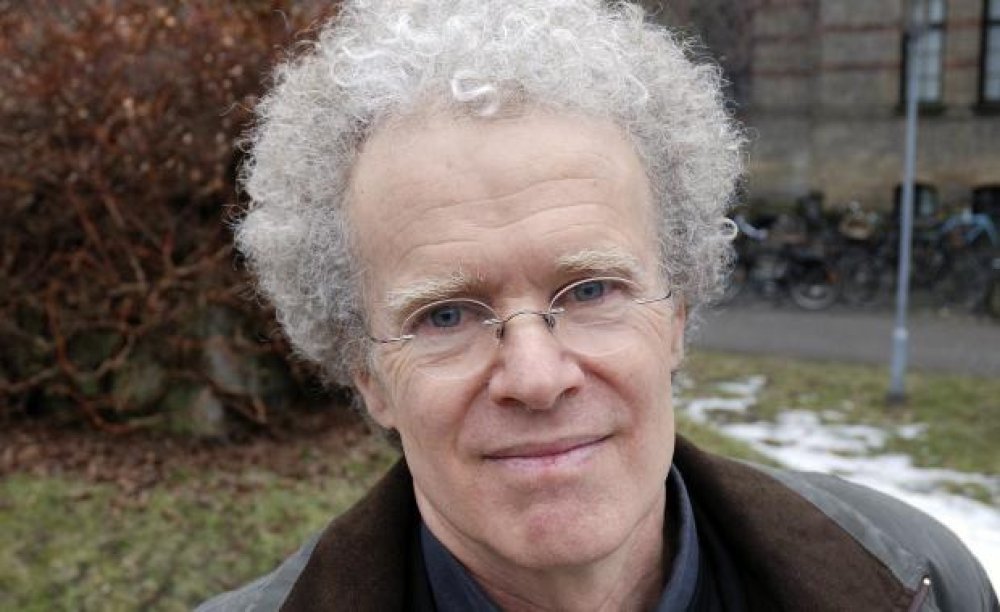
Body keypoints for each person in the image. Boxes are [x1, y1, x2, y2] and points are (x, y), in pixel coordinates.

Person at [200, 1, 998, 610]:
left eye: (590, 291)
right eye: (445, 315)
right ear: (367, 373)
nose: (537, 378)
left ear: (677, 314)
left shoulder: (917, 580)